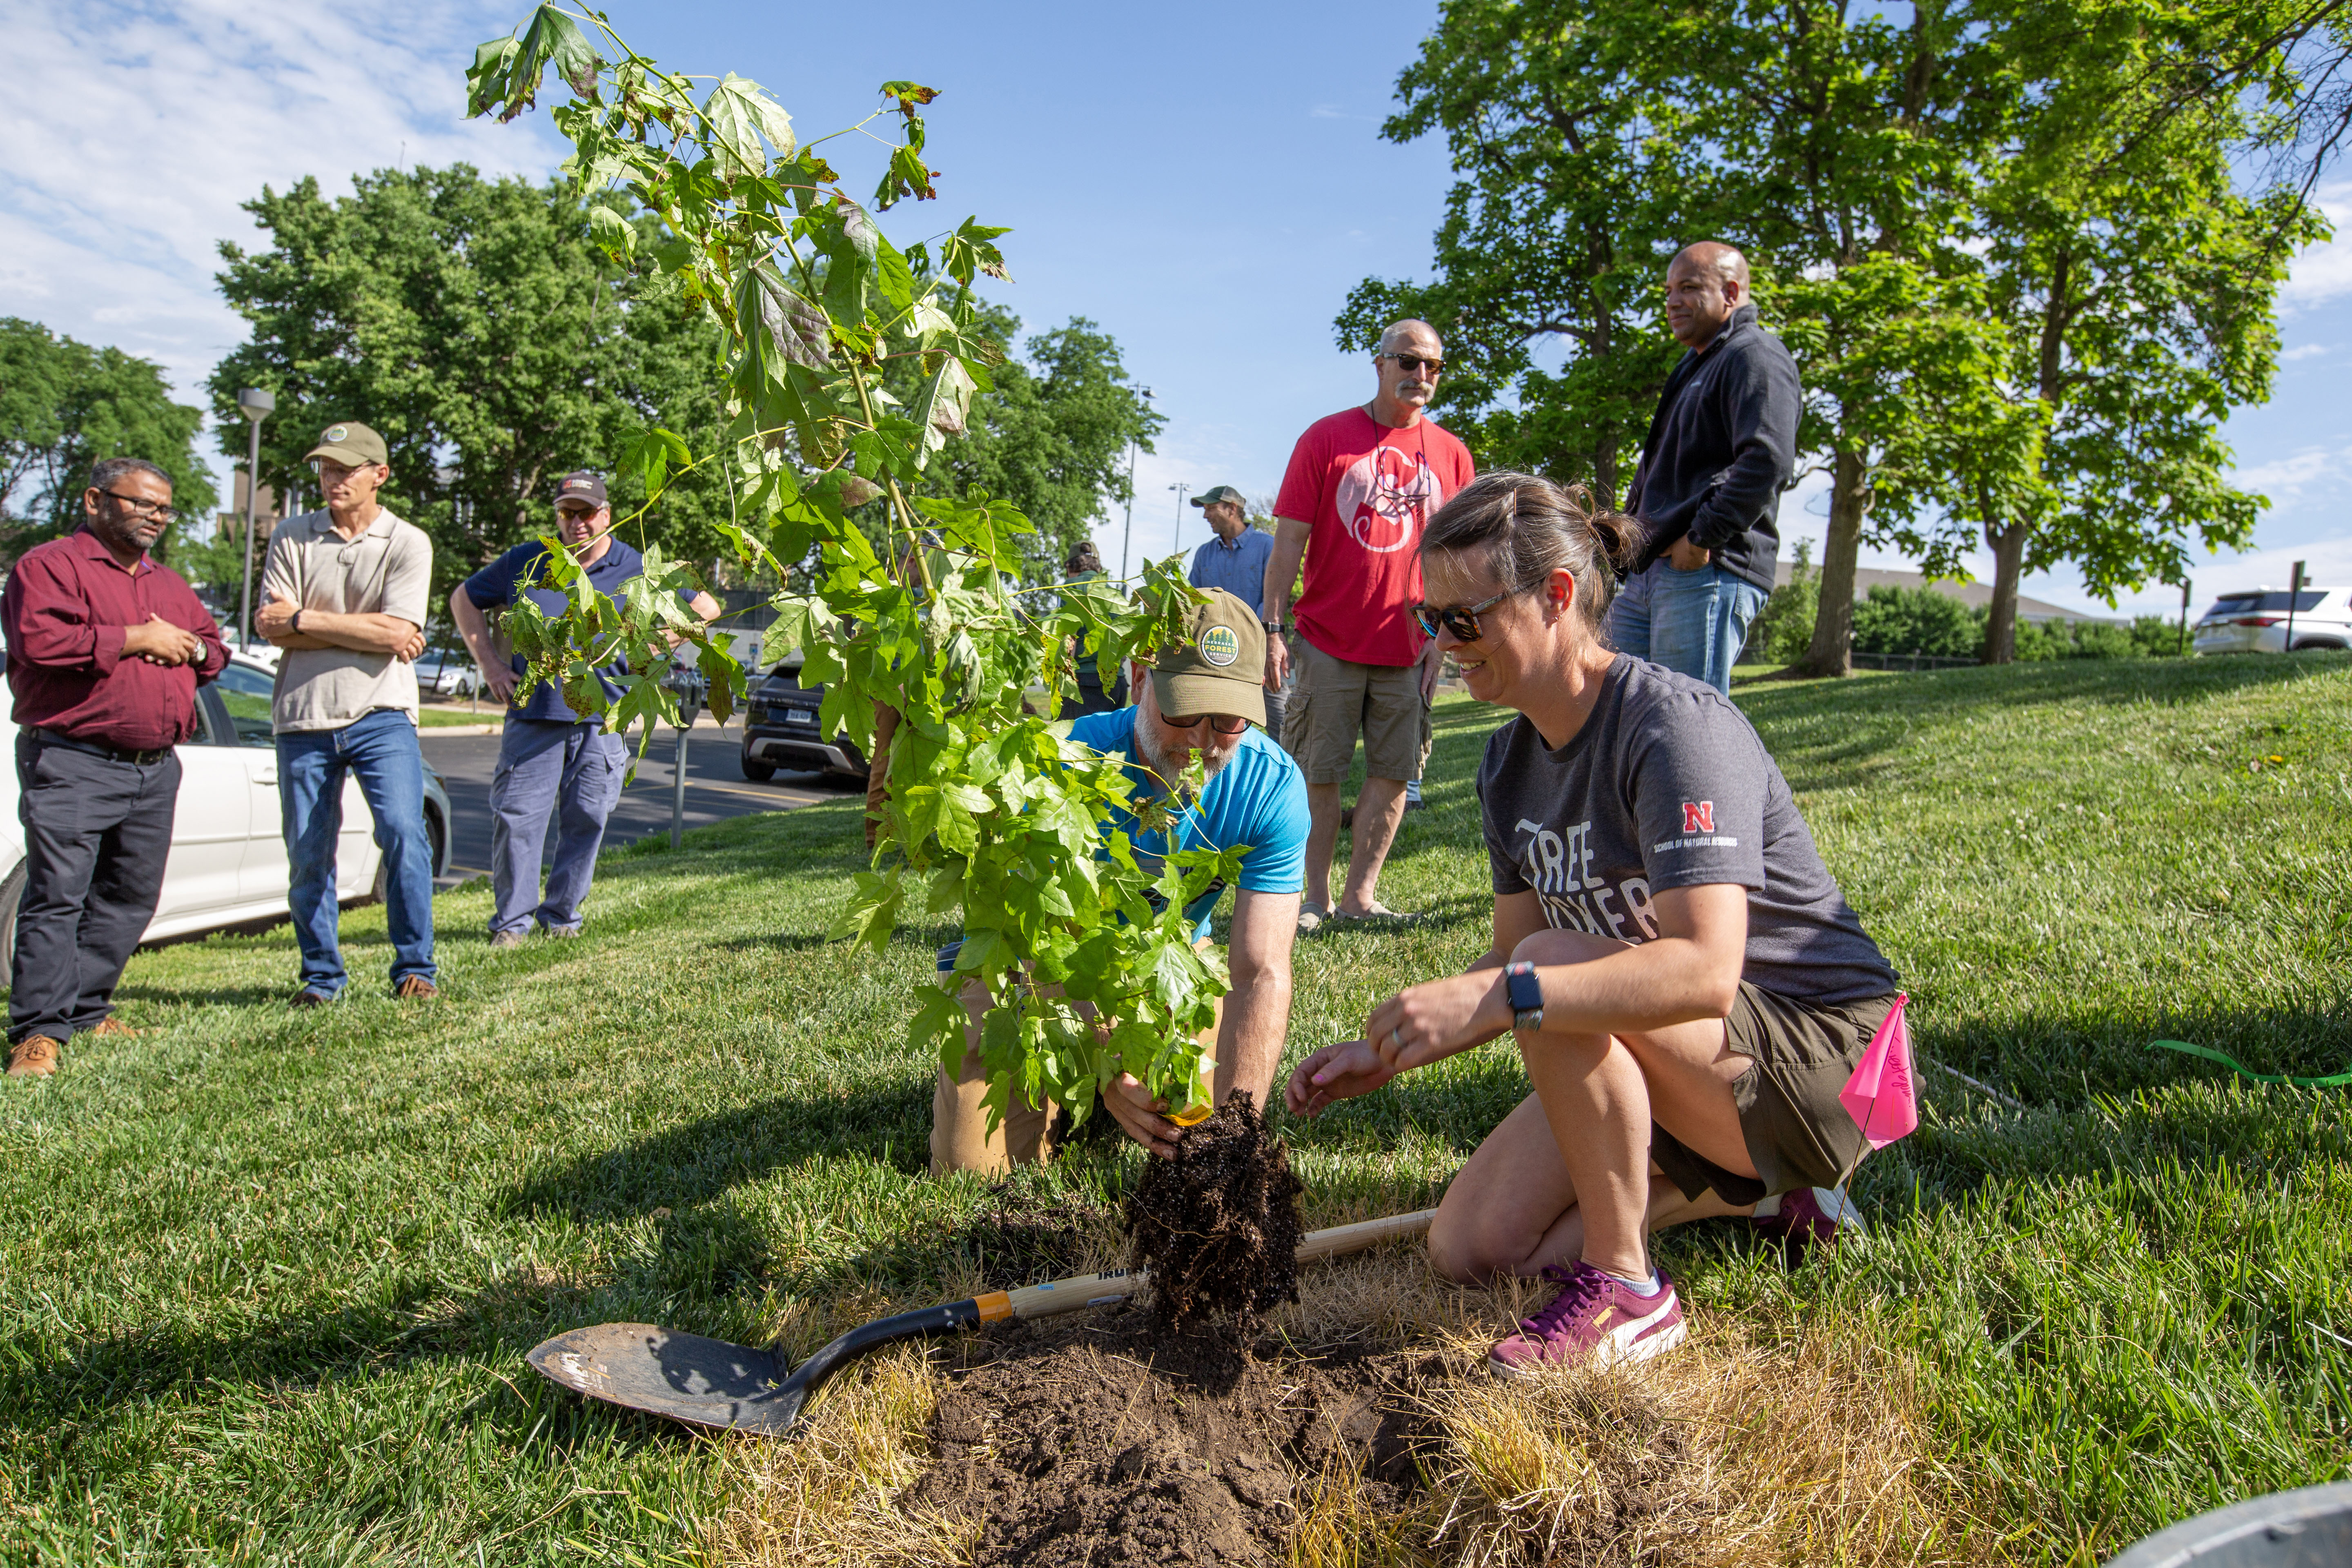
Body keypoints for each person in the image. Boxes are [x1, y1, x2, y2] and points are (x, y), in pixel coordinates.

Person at [1286, 472, 1898, 1377]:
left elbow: (1702, 973)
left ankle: (1630, 1290)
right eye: (1431, 621)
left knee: (1543, 973)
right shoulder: (1506, 765)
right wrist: (1387, 1050)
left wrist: (1510, 992)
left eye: (1464, 619)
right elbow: (1503, 955)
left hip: (1829, 1063)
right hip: (1700, 1066)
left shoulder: (1673, 729)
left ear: (1556, 596)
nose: (1443, 646)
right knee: (1474, 1248)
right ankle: (1760, 1201)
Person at [933, 589, 1308, 1173]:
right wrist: (1105, 1050)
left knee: (1206, 1121)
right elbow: (1045, 942)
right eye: (1183, 711)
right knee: (973, 1174)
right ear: (1139, 679)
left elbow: (1261, 972)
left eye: (1229, 719)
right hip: (1031, 973)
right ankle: (1077, 1085)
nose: (1203, 740)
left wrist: (1239, 1133)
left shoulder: (1273, 788)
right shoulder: (1059, 763)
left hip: (1171, 967)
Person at [2, 459, 227, 1078]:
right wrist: (135, 639)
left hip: (155, 768)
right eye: (142, 503)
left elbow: (214, 650)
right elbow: (38, 640)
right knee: (57, 895)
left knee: (129, 896)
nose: (156, 515)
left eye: (164, 508)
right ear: (96, 499)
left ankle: (85, 1009)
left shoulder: (169, 585)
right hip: (74, 760)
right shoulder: (49, 567)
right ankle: (37, 1033)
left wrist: (191, 645)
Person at [1263, 319, 1474, 932]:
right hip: (1328, 639)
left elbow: (1461, 561)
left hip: (1410, 646)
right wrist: (1273, 628)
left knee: (1394, 771)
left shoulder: (1453, 454)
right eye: (1409, 362)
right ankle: (1316, 899)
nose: (1422, 376)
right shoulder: (1327, 438)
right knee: (1318, 771)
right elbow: (1288, 544)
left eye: (1434, 366)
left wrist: (1446, 637)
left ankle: (1361, 897)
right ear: (1379, 364)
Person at [450, 471, 721, 945]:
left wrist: (657, 644)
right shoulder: (528, 560)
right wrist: (491, 665)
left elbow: (707, 608)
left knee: (588, 820)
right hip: (534, 715)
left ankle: (561, 919)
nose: (577, 523)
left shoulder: (638, 566)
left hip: (604, 718)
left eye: (587, 513)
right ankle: (511, 927)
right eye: (567, 513)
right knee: (517, 821)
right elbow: (464, 599)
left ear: (607, 515)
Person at [254, 421, 438, 1004]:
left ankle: (416, 968)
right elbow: (270, 626)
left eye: (346, 469)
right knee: (308, 854)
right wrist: (364, 630)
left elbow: (400, 632)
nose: (331, 480)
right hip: (302, 717)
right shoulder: (291, 535)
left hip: (381, 713)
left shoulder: (408, 542)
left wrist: (305, 619)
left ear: (379, 475)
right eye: (326, 469)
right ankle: (321, 978)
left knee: (406, 833)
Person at [1611, 242, 1799, 694]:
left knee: (1685, 720)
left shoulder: (1755, 355)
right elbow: (1657, 467)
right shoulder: (1694, 364)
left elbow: (1767, 460)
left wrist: (1699, 540)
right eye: (1669, 290)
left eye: (1690, 288)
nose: (1673, 301)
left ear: (1731, 292)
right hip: (1649, 574)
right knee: (1619, 709)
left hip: (1704, 570)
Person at [1185, 485, 1283, 744]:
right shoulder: (1204, 554)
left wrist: (1251, 635)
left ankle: (1287, 776)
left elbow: (1273, 597)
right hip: (1212, 653)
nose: (1206, 515)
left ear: (1232, 509)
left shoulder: (1267, 546)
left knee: (1281, 721)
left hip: (1258, 651)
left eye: (1211, 508)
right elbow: (1190, 602)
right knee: (1212, 724)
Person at [1061, 540, 1126, 717]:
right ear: (1097, 566)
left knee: (1073, 742)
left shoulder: (1071, 588)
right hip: (1117, 684)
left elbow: (1069, 640)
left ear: (1069, 566)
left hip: (1086, 683)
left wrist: (1063, 682)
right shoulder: (1114, 595)